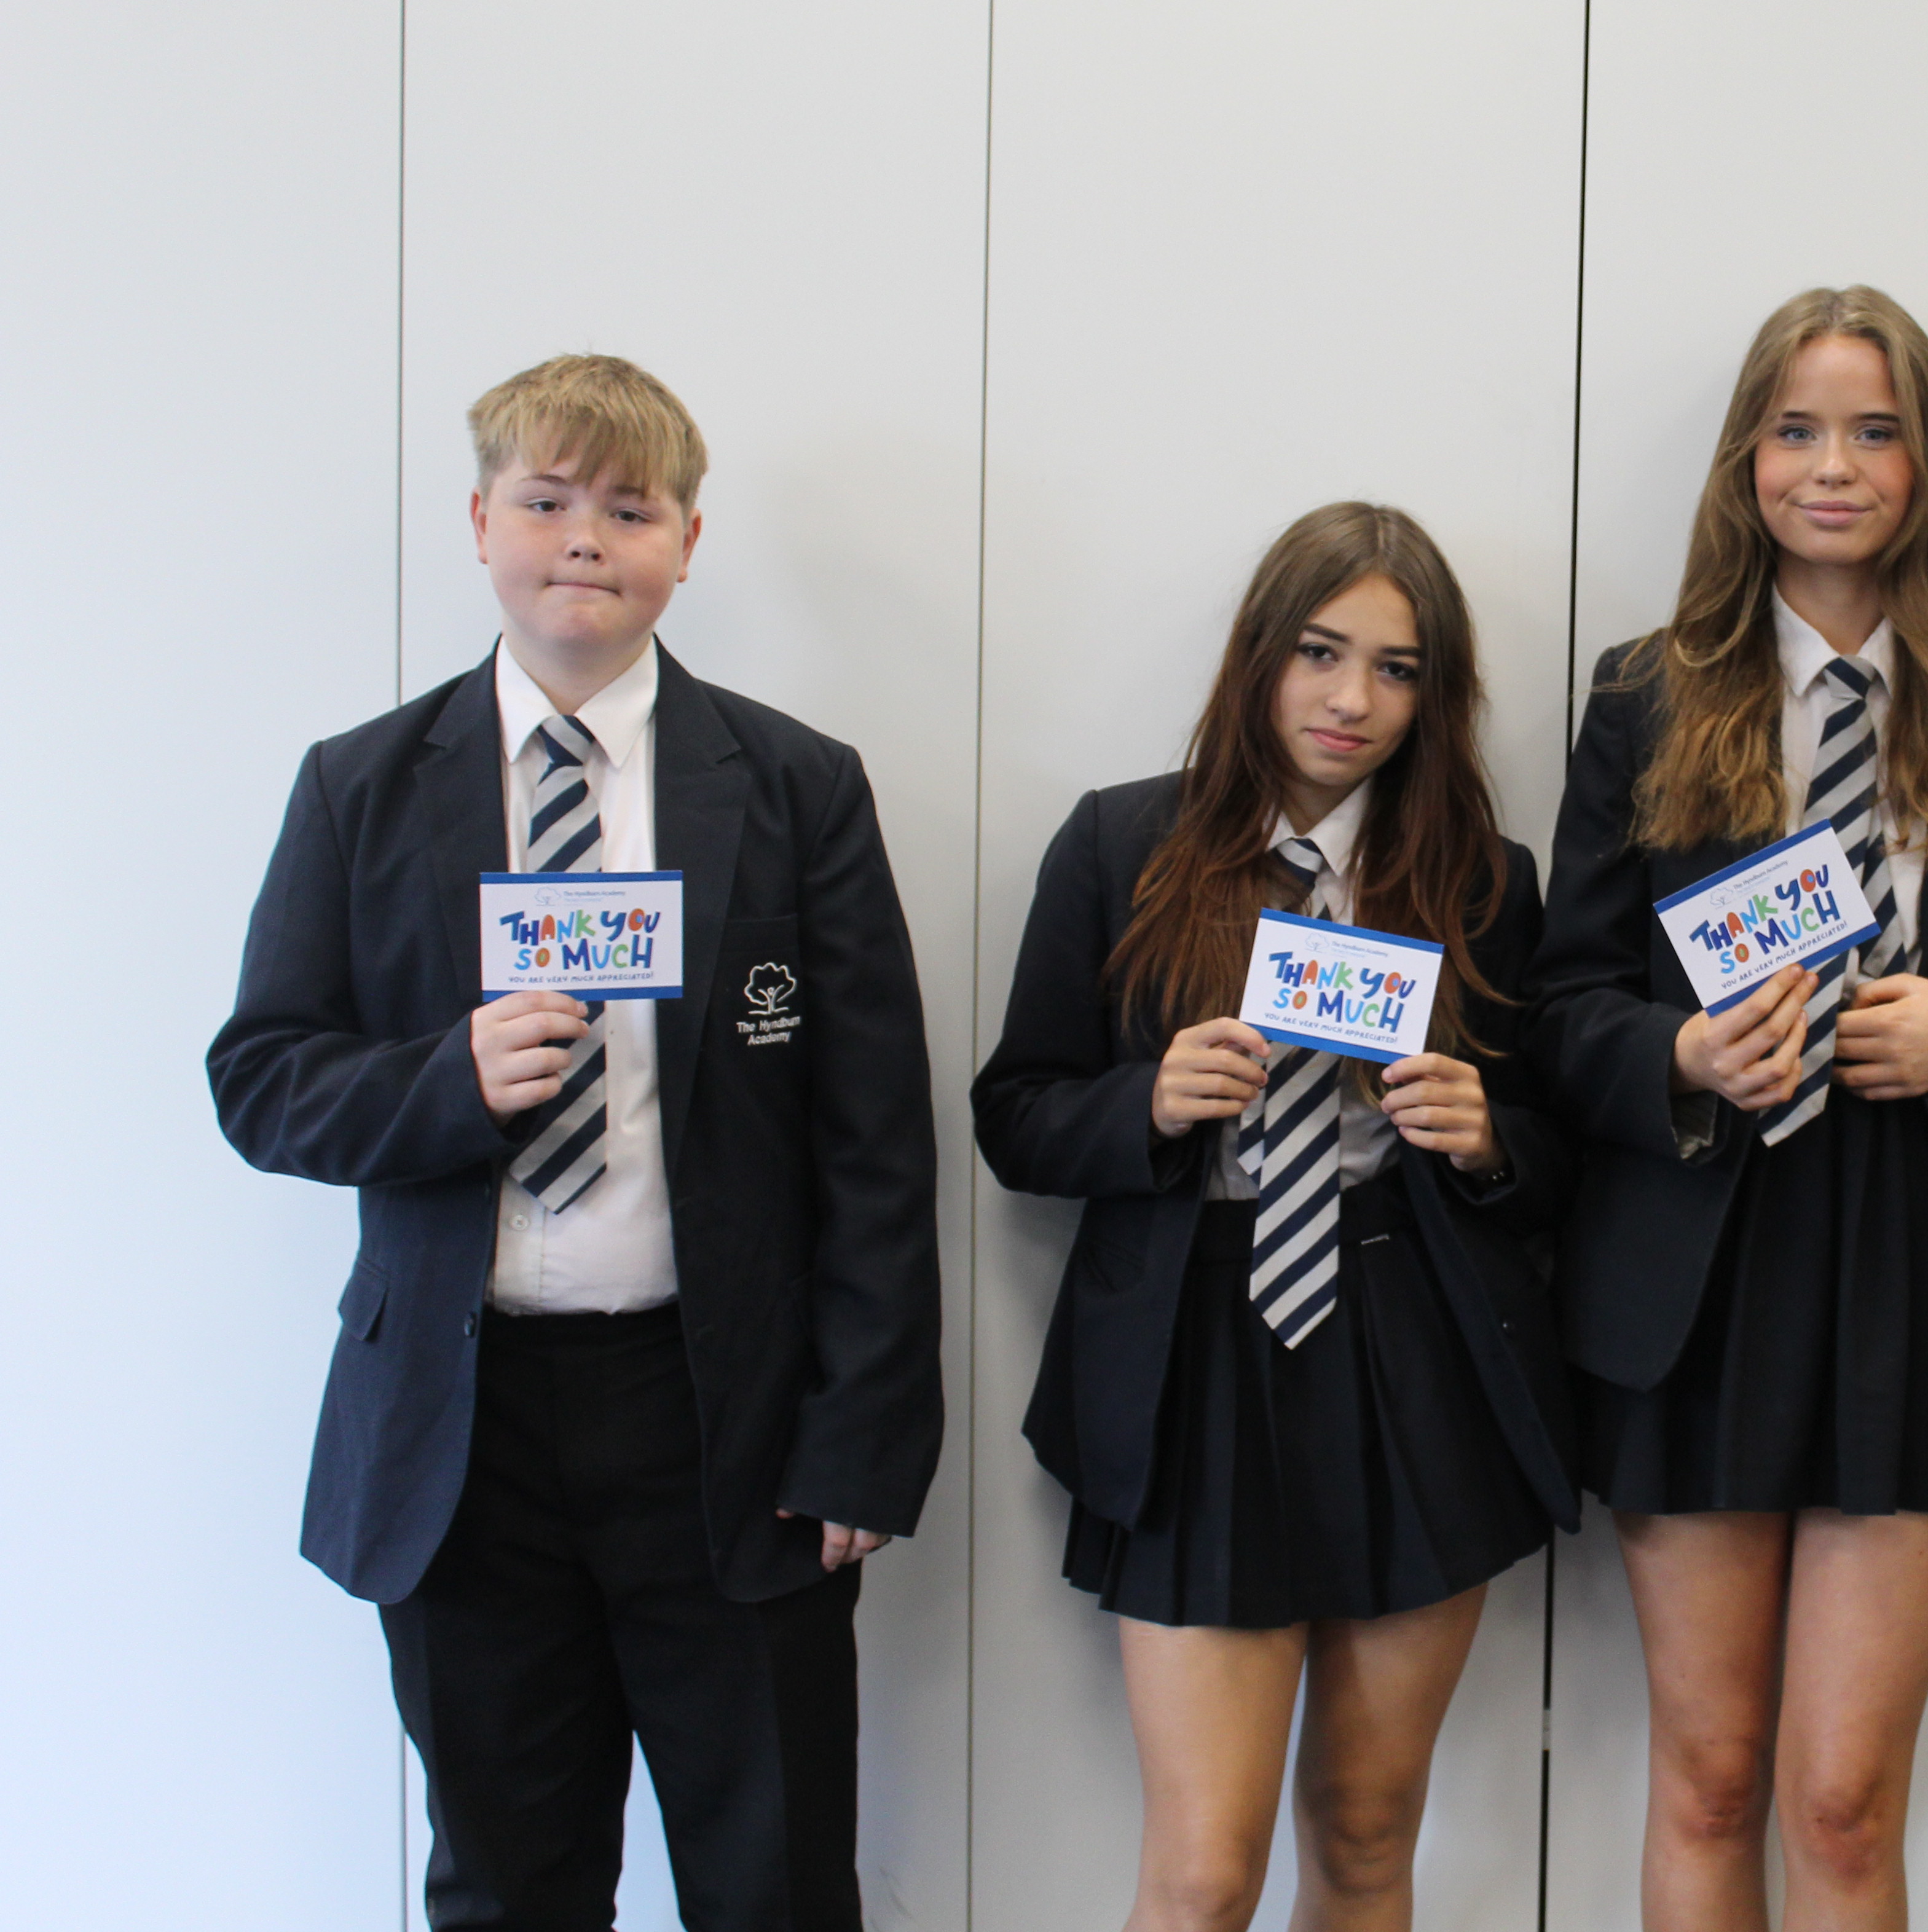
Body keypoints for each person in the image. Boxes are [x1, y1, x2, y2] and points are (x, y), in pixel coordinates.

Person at [208, 354, 943, 1930]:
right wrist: (448, 1080)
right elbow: (261, 1081)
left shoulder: (797, 788)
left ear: (689, 541)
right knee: (506, 1891)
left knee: (777, 1887)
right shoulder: (359, 788)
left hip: (725, 1426)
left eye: (630, 508)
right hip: (466, 1436)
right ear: (481, 524)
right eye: (546, 502)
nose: (586, 539)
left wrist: (865, 1436)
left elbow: (877, 1142)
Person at [1530, 286, 1928, 1929]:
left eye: (1876, 432)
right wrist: (1681, 1058)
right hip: (1704, 1265)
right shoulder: (1646, 696)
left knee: (1842, 1801)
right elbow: (1562, 1001)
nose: (1834, 467)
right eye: (1797, 430)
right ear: (1747, 461)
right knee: (1711, 1780)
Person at [973, 501, 1573, 1932]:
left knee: (1367, 1833)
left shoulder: (1483, 876)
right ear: (1258, 652)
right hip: (1198, 1346)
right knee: (1202, 1876)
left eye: (1397, 668)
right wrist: (1149, 1102)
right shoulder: (1124, 841)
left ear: (1435, 694)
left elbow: (1566, 1150)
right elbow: (1016, 1114)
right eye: (1319, 652)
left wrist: (1491, 1136)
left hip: (1412, 1345)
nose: (1352, 699)